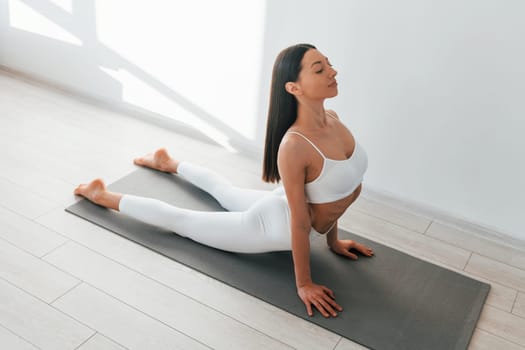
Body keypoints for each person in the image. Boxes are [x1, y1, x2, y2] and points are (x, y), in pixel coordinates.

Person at [74, 43, 374, 318]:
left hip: (280, 207)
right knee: (183, 222)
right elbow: (300, 221)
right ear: (294, 87)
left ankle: (167, 162)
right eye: (319, 69)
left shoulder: (334, 119)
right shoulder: (294, 147)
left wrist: (334, 243)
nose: (333, 72)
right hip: (273, 226)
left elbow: (335, 195)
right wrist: (304, 284)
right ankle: (102, 195)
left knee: (225, 191)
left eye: (328, 64)